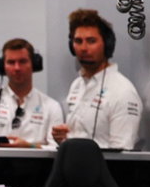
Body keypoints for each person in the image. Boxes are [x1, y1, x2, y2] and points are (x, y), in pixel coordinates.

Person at [51, 9, 142, 150]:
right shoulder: (77, 85)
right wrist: (64, 139)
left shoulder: (123, 91)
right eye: (78, 41)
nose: (83, 48)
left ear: (107, 45)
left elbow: (122, 153)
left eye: (91, 41)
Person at [0, 38, 63, 148]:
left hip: (36, 159)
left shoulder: (52, 106)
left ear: (34, 64)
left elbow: (56, 148)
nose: (17, 68)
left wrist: (30, 146)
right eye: (11, 62)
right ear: (2, 66)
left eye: (23, 61)